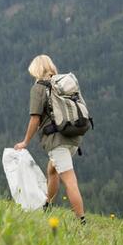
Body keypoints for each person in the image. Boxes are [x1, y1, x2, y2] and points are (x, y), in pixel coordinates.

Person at [14, 54, 86, 224]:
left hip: (56, 140)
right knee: (52, 170)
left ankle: (82, 221)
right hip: (73, 136)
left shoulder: (39, 87)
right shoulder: (63, 83)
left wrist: (25, 142)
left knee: (69, 180)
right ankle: (47, 205)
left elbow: (35, 119)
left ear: (35, 70)